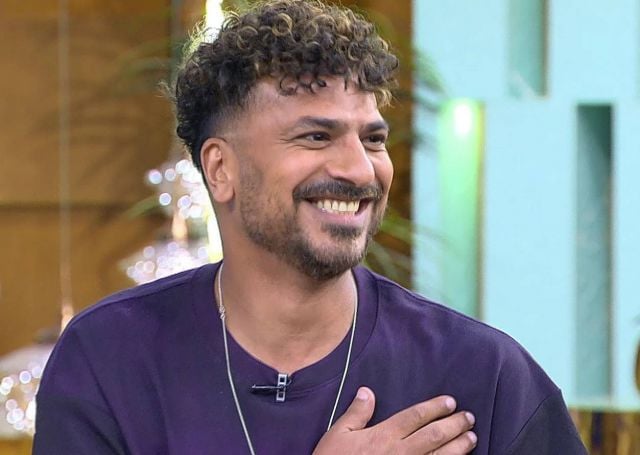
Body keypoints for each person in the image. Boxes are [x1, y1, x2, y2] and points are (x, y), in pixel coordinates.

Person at [33, 0, 587, 453]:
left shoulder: (483, 376)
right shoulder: (110, 361)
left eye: (372, 139)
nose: (359, 170)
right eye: (315, 137)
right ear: (221, 169)